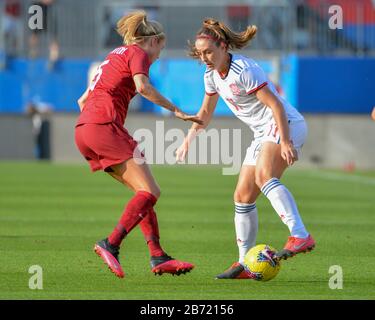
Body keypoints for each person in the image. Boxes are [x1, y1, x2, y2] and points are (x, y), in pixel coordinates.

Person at [176, 18, 315, 279]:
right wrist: (188, 140)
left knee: (264, 177)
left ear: (223, 47)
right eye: (200, 53)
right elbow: (205, 112)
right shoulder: (211, 76)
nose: (204, 57)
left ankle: (299, 235)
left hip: (285, 123)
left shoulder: (243, 70)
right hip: (263, 132)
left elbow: (275, 106)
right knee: (242, 197)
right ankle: (244, 264)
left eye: (209, 52)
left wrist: (285, 141)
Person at [75, 11, 202, 278]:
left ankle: (158, 257)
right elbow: (142, 87)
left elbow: (82, 100)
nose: (157, 57)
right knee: (151, 191)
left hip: (84, 130)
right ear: (153, 41)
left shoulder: (113, 55)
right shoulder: (138, 53)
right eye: (161, 49)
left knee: (143, 195)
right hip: (103, 126)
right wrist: (176, 110)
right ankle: (110, 243)